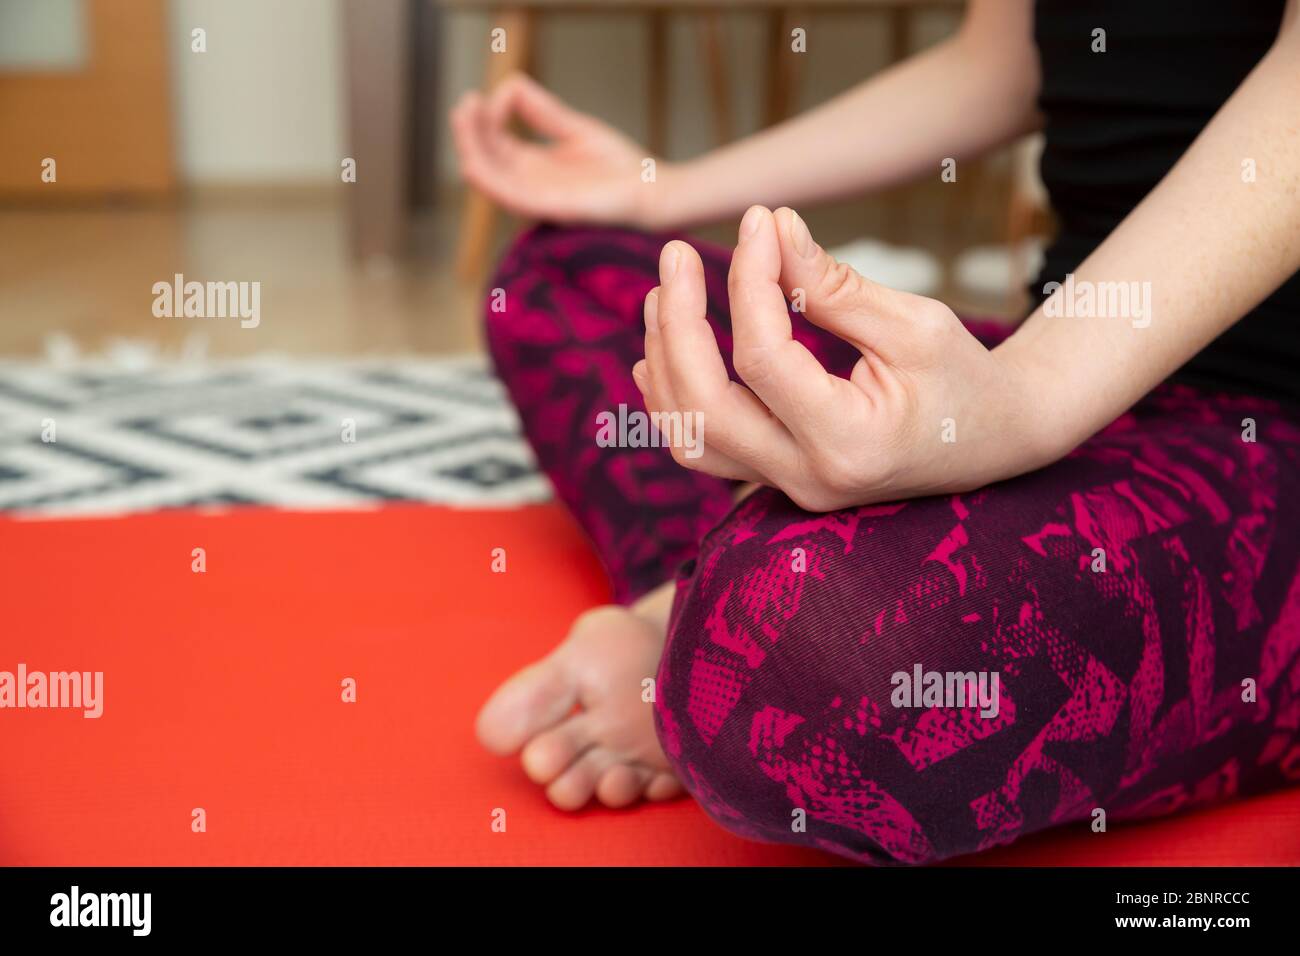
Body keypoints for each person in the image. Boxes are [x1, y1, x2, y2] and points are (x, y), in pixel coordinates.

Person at [451, 0, 1300, 863]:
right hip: (1073, 343)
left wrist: (1030, 397)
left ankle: (701, 612)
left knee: (811, 661)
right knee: (563, 278)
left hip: (1269, 421)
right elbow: (997, 67)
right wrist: (660, 189)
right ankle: (691, 590)